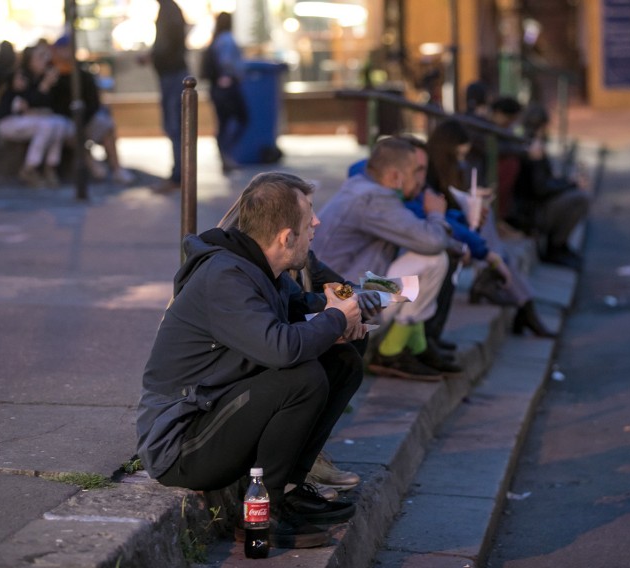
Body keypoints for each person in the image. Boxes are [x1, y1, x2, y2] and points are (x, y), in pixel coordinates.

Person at [137, 172, 366, 549]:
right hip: (182, 443)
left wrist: (344, 312)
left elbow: (302, 307)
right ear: (285, 237)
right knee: (301, 378)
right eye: (309, 217)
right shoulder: (226, 277)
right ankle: (262, 512)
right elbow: (280, 348)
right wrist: (336, 318)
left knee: (341, 360)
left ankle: (288, 489)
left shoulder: (261, 268)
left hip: (219, 411)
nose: (317, 223)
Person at [312, 137, 460, 381]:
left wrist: (456, 243)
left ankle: (415, 344)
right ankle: (392, 351)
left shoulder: (363, 187)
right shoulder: (374, 199)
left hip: (345, 286)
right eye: (416, 172)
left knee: (427, 261)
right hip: (344, 293)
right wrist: (437, 216)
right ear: (395, 176)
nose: (421, 181)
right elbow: (431, 241)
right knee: (433, 260)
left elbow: (411, 233)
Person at [425, 118, 556, 338]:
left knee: (487, 222)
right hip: (435, 233)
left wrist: (470, 200)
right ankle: (523, 304)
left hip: (450, 227)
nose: (461, 161)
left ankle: (519, 300)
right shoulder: (427, 174)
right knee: (491, 241)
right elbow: (437, 212)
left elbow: (449, 207)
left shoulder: (447, 170)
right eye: (458, 155)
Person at [489, 96, 589, 269]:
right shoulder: (528, 146)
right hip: (530, 211)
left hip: (532, 206)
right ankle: (555, 248)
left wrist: (567, 183)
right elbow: (540, 188)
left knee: (578, 196)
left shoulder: (526, 144)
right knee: (579, 198)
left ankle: (560, 247)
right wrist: (570, 185)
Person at [50, 35, 134, 184]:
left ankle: (116, 168)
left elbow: (93, 102)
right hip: (64, 121)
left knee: (106, 125)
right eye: (61, 50)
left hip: (86, 118)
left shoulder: (82, 73)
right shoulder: (50, 75)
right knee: (67, 130)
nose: (65, 53)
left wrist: (83, 118)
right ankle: (91, 162)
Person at [0, 42, 74, 186]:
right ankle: (29, 168)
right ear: (29, 60)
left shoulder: (43, 77)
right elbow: (25, 104)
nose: (45, 60)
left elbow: (51, 106)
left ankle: (50, 167)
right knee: (46, 125)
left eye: (46, 56)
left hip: (32, 121)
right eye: (40, 57)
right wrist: (45, 86)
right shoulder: (21, 76)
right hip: (9, 121)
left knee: (59, 123)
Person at [144, 0, 188, 193]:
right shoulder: (170, 9)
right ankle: (178, 174)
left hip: (172, 73)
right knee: (175, 126)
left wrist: (152, 56)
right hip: (171, 72)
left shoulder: (169, 10)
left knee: (174, 126)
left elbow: (167, 45)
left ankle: (178, 175)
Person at [203, 12, 249, 174]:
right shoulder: (226, 40)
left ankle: (226, 156)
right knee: (239, 119)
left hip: (218, 87)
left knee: (224, 122)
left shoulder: (216, 39)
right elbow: (227, 61)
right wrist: (229, 76)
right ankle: (227, 155)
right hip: (227, 86)